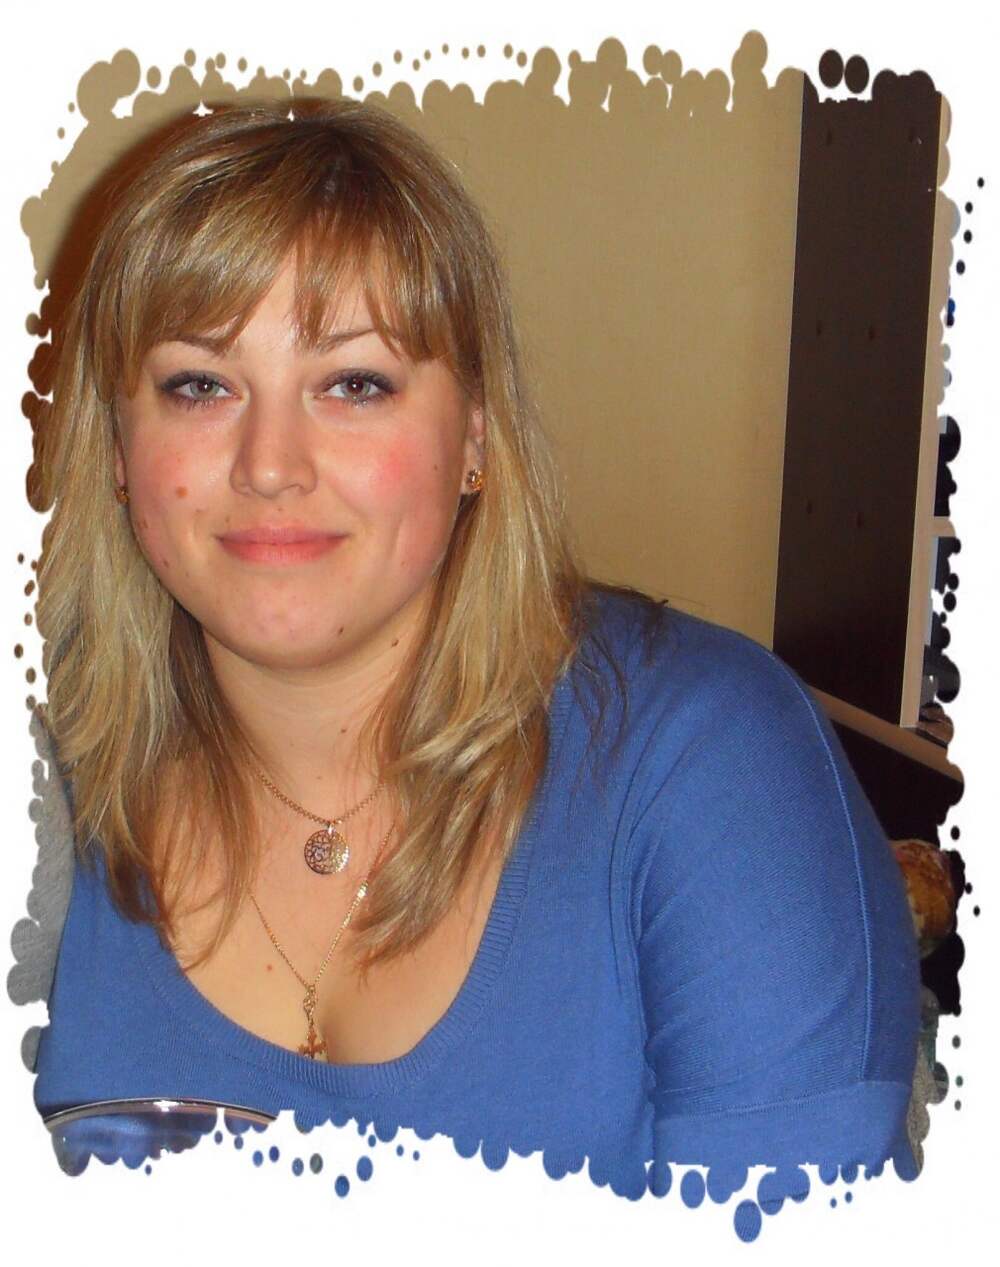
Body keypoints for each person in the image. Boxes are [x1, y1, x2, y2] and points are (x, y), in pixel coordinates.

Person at [27, 97, 921, 1197]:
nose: (269, 464)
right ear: (118, 449)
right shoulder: (45, 782)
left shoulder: (712, 765)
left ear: (475, 438)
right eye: (199, 385)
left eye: (354, 383)